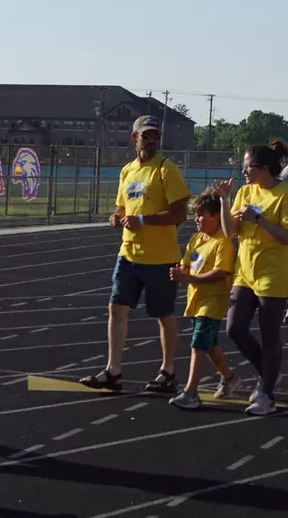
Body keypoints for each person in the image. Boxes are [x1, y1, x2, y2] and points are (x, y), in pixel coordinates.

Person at [80, 115, 190, 394]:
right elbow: (121, 209)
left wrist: (143, 220)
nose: (152, 140)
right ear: (134, 138)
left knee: (163, 314)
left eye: (155, 136)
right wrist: (116, 219)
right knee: (116, 308)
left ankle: (168, 371)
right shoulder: (127, 171)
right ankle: (113, 370)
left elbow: (179, 214)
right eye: (147, 135)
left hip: (160, 257)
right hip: (128, 253)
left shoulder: (166, 170)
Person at [215, 139, 288, 416]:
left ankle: (266, 394)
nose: (243, 171)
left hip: (273, 273)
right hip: (246, 270)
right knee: (234, 329)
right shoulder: (244, 191)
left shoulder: (285, 194)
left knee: (270, 335)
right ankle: (267, 373)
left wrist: (260, 220)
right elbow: (230, 231)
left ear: (263, 168)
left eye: (247, 166)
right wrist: (225, 199)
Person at [167, 188, 238, 410]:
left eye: (201, 215)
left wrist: (188, 277)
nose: (197, 219)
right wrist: (179, 272)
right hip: (195, 301)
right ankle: (229, 378)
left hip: (212, 302)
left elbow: (220, 272)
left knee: (198, 344)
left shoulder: (222, 242)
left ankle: (191, 392)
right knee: (209, 346)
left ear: (216, 216)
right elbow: (186, 263)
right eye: (196, 214)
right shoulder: (196, 239)